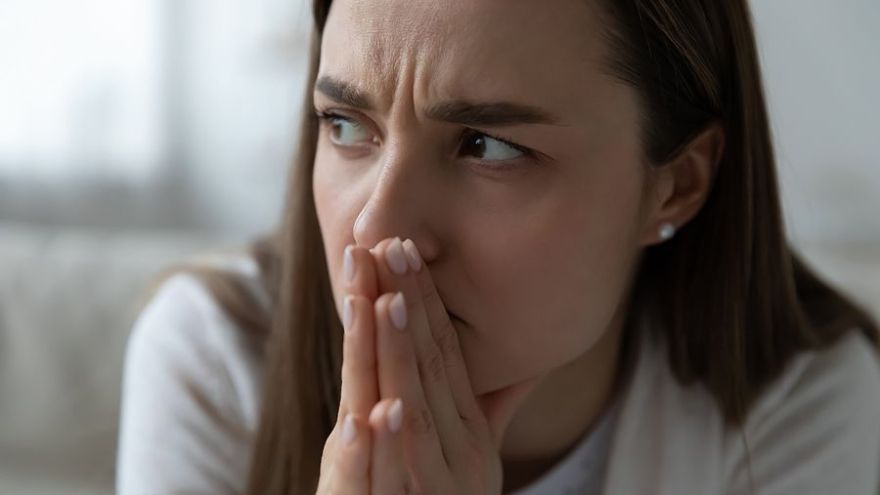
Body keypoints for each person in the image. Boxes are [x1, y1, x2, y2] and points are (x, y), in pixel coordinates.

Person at [115, 0, 880, 493]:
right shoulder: (216, 356)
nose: (377, 228)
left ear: (675, 184)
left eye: (487, 146)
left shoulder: (799, 408)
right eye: (347, 126)